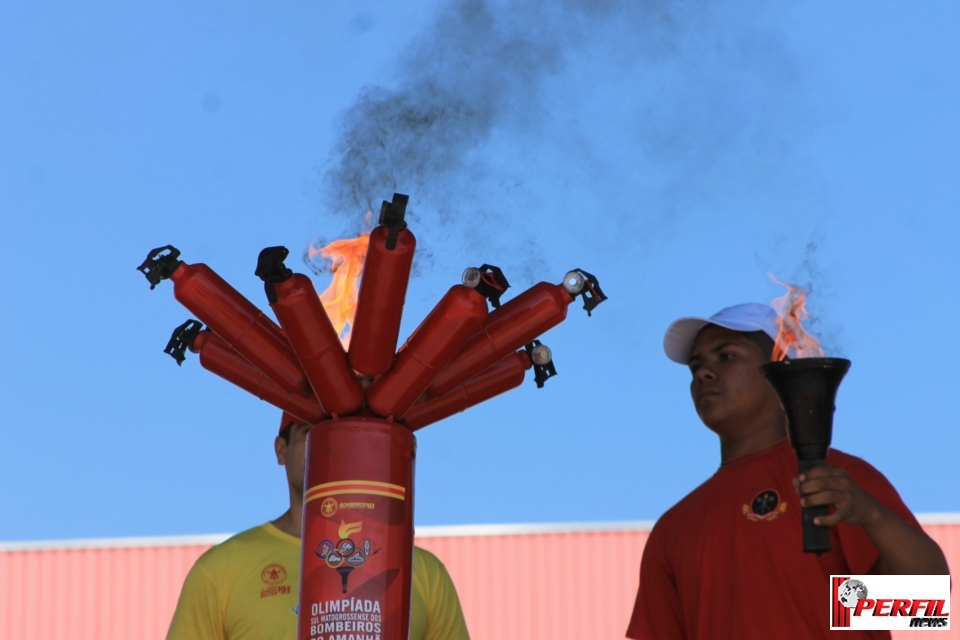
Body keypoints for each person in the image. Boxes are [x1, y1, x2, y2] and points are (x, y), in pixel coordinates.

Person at [626, 303, 949, 639]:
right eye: (696, 366)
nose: (703, 374)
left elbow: (923, 604)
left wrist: (870, 515)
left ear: (780, 370)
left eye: (727, 356)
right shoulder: (674, 526)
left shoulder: (840, 479)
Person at [167, 413, 470, 640]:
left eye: (339, 433)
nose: (329, 444)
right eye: (310, 431)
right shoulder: (221, 569)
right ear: (281, 449)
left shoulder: (424, 572)